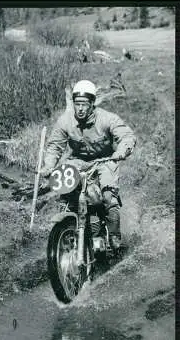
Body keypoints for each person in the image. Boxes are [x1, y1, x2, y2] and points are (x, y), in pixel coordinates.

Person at [41, 80, 136, 250]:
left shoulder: (107, 118)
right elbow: (55, 146)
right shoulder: (65, 121)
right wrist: (49, 165)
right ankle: (70, 227)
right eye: (77, 104)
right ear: (73, 104)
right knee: (68, 195)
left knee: (108, 197)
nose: (81, 109)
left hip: (105, 160)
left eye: (84, 104)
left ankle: (114, 237)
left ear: (92, 104)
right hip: (77, 161)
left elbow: (126, 136)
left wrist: (121, 151)